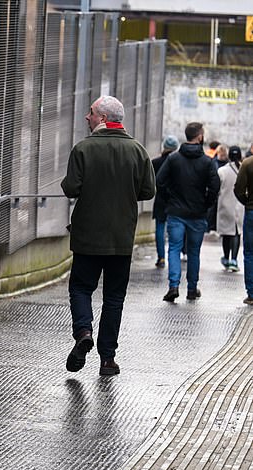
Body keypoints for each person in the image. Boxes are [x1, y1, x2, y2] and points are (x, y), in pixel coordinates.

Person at [61, 95, 155, 376]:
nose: (87, 118)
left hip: (88, 237)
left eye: (90, 113)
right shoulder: (138, 151)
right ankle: (107, 359)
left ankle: (83, 331)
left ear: (102, 118)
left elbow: (71, 188)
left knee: (80, 288)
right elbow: (148, 192)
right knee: (114, 298)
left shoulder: (83, 149)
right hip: (120, 240)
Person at [156, 122, 220, 302]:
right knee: (193, 251)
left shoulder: (173, 159)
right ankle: (192, 288)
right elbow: (215, 186)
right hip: (197, 213)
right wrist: (206, 204)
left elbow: (159, 181)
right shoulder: (207, 162)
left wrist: (170, 198)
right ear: (199, 136)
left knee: (174, 248)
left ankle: (173, 285)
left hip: (176, 212)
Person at [152, 135, 179, 268]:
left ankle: (161, 257)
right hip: (174, 199)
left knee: (159, 228)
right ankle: (174, 255)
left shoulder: (156, 162)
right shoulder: (178, 162)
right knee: (174, 228)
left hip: (160, 199)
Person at [217, 146, 244, 272]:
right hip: (240, 205)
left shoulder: (222, 171)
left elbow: (217, 188)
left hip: (225, 205)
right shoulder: (243, 169)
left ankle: (226, 258)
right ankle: (234, 259)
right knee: (236, 233)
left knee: (226, 234)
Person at [234, 152, 253, 304]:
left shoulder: (247, 163)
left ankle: (252, 293)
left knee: (250, 253)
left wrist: (247, 203)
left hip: (252, 212)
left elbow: (238, 190)